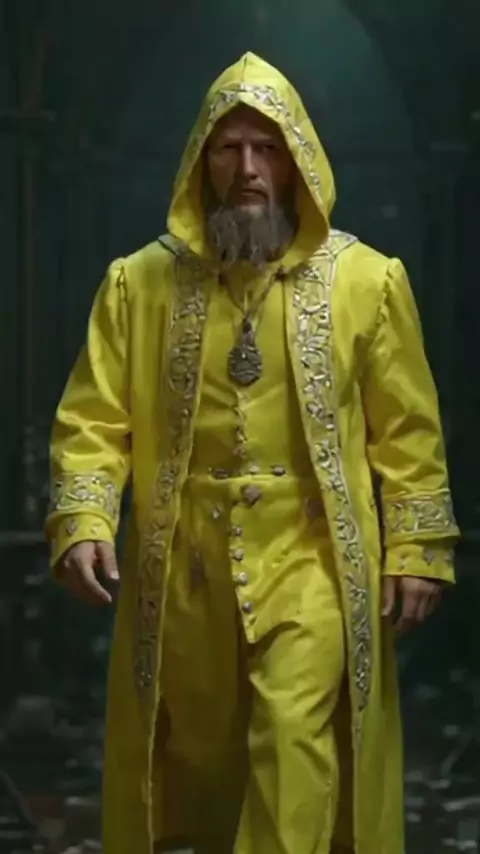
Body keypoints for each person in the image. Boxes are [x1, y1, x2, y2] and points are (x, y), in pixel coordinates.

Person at [45, 52, 459, 854]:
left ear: (299, 160)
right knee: (205, 766)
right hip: (184, 568)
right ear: (201, 162)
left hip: (315, 561)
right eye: (229, 149)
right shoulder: (138, 284)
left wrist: (418, 546)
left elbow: (407, 432)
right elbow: (92, 420)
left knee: (293, 742)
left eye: (267, 149)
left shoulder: (368, 283)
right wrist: (83, 519)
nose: (248, 171)